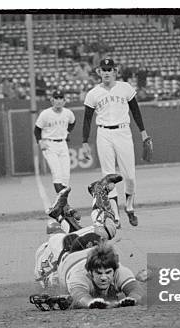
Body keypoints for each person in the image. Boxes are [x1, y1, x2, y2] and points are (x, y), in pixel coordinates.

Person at [31, 174, 144, 310]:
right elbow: (81, 297)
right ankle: (97, 191)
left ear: (113, 271)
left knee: (103, 232)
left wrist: (132, 298)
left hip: (65, 253)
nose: (104, 278)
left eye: (107, 273)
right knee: (107, 231)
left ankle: (60, 215)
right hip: (52, 262)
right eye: (99, 273)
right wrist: (91, 302)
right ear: (90, 272)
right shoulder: (78, 274)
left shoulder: (118, 271)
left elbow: (135, 290)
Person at [82, 58, 152, 228]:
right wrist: (85, 141)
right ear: (99, 72)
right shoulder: (93, 94)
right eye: (103, 69)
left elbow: (135, 111)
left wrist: (143, 133)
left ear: (115, 71)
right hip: (103, 133)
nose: (106, 72)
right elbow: (87, 119)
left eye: (109, 69)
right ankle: (114, 216)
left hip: (123, 132)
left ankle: (129, 207)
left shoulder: (125, 88)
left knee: (129, 176)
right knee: (108, 176)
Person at [34, 89, 79, 224]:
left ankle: (61, 205)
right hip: (49, 144)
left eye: (61, 98)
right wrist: (40, 141)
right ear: (52, 100)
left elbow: (72, 123)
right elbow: (37, 129)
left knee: (66, 176)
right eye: (56, 98)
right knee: (57, 174)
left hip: (62, 143)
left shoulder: (68, 113)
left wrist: (67, 133)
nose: (58, 100)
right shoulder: (46, 114)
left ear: (64, 100)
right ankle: (66, 206)